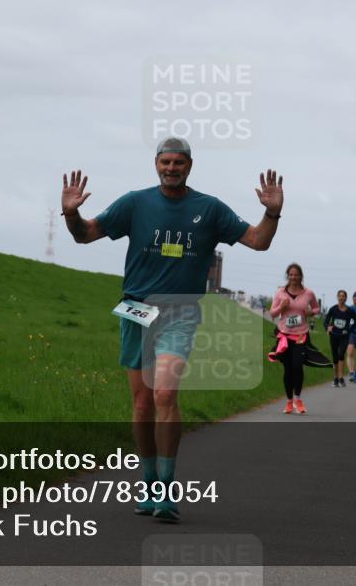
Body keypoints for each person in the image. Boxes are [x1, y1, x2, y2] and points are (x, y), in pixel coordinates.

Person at [60, 137, 283, 522]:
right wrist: (70, 215)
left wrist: (272, 214)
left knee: (164, 393)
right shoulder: (136, 203)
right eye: (165, 162)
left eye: (179, 162)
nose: (171, 168)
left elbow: (258, 241)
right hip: (135, 308)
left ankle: (165, 487)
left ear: (190, 166)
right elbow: (86, 234)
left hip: (180, 311)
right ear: (156, 164)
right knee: (143, 403)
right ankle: (147, 482)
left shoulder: (209, 209)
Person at [269, 263, 321, 414]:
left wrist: (310, 312)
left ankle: (298, 398)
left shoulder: (308, 293)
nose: (293, 277)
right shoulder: (280, 293)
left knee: (297, 366)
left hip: (301, 335)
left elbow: (316, 308)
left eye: (296, 274)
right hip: (284, 335)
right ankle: (289, 401)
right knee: (288, 369)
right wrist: (281, 308)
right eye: (290, 274)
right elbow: (272, 313)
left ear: (300, 276)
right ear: (288, 276)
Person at [324, 289, 355, 387]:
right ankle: (335, 378)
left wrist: (349, 330)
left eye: (343, 296)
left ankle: (341, 378)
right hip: (334, 336)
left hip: (344, 336)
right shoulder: (333, 309)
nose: (341, 298)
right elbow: (326, 321)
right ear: (337, 297)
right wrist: (327, 327)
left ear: (346, 298)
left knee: (341, 354)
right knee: (335, 357)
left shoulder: (350, 310)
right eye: (340, 296)